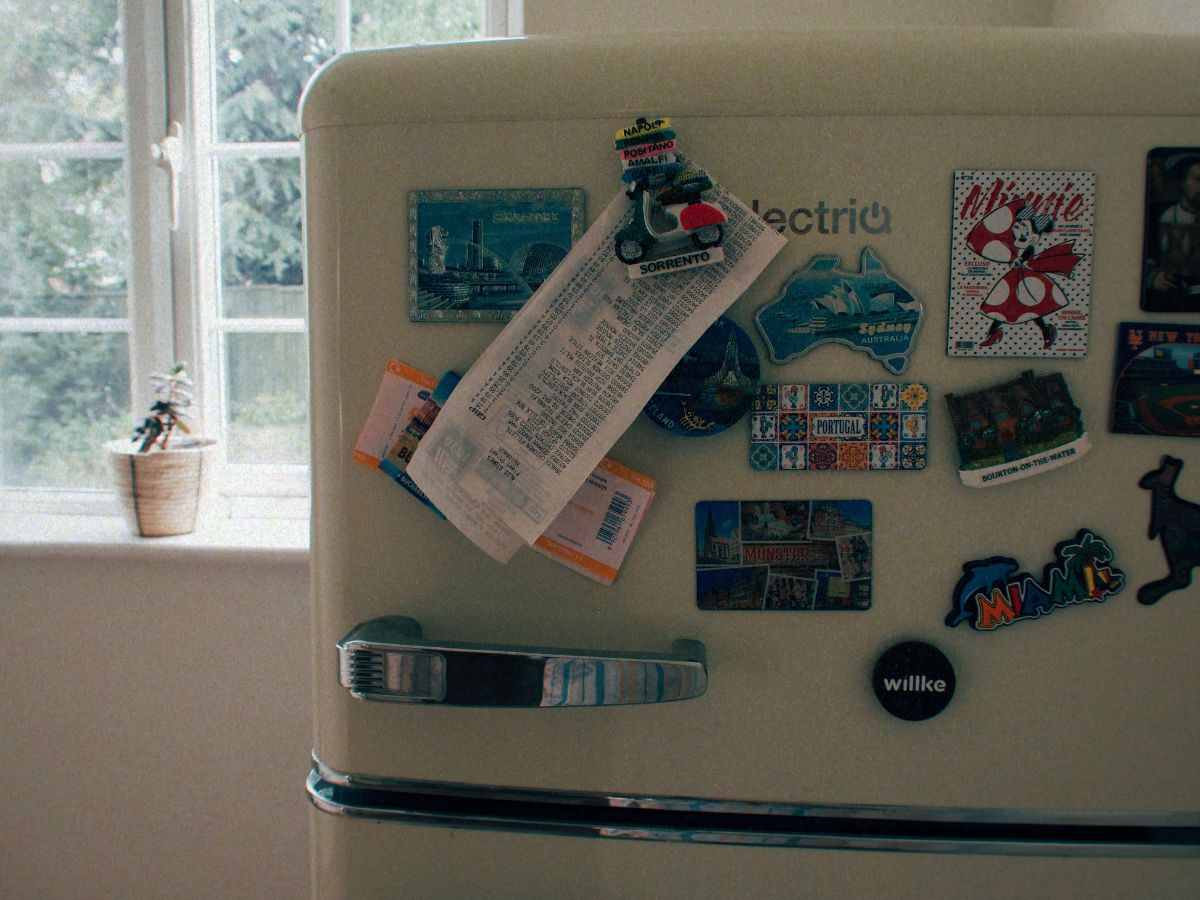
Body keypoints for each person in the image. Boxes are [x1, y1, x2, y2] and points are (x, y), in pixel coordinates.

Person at [1145, 153, 1200, 307]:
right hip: (1168, 300)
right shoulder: (1159, 216)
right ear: (1182, 182)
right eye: (1198, 180)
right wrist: (1152, 278)